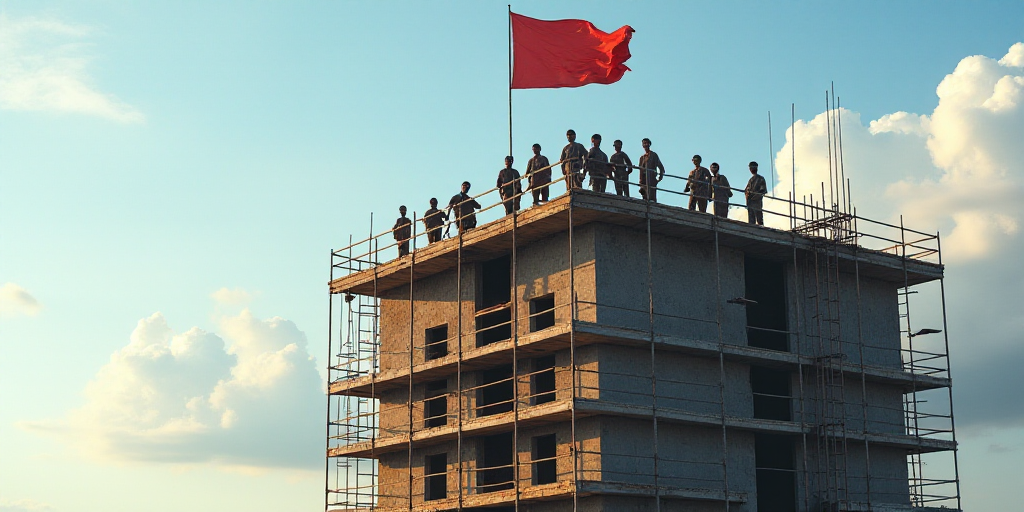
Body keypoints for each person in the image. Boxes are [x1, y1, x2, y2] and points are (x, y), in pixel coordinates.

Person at [637, 138, 665, 202]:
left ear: (649, 144)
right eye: (644, 143)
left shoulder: (653, 155)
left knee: (652, 196)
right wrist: (640, 180)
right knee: (644, 195)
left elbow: (660, 166)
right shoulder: (642, 158)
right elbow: (641, 170)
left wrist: (660, 176)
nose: (646, 145)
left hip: (651, 177)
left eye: (647, 143)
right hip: (644, 178)